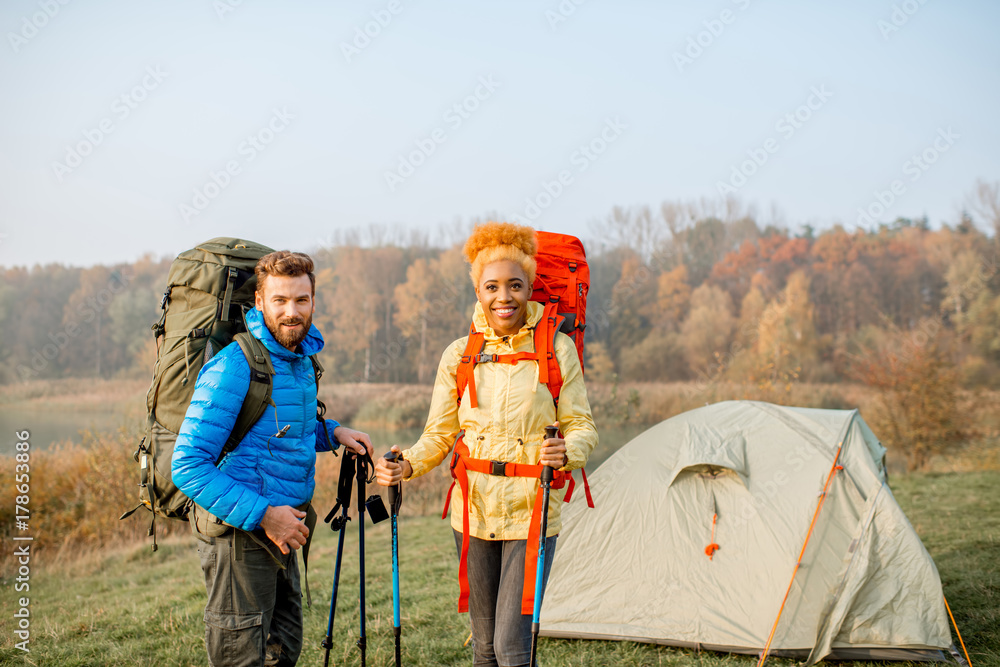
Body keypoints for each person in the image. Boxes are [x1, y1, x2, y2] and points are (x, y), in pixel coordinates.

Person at [375, 222, 598, 667]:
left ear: (530, 287)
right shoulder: (459, 353)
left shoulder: (557, 350)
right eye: (492, 286)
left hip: (531, 513)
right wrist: (406, 466)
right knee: (483, 649)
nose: (504, 297)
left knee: (512, 649)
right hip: (471, 512)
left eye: (515, 286)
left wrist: (567, 451)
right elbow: (439, 434)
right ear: (477, 290)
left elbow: (581, 425)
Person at [172, 250, 372, 667]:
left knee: (283, 649)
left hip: (283, 529)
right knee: (241, 658)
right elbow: (187, 465)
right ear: (259, 302)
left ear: (313, 302)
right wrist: (266, 516)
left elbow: (281, 431)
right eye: (280, 300)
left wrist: (333, 431)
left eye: (301, 300)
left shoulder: (298, 360)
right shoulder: (234, 366)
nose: (292, 312)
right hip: (241, 536)